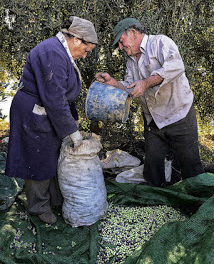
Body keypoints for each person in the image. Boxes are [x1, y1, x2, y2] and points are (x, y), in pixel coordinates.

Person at [6, 16, 98, 224]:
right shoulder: (52, 52)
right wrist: (71, 130)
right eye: (86, 50)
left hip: (43, 109)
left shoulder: (60, 51)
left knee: (52, 153)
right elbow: (54, 98)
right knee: (38, 156)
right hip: (33, 111)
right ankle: (38, 206)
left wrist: (69, 126)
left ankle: (54, 199)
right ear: (76, 39)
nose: (84, 56)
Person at [96, 17, 204, 187]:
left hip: (179, 115)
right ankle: (158, 201)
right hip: (153, 120)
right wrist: (113, 83)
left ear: (132, 33)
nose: (120, 47)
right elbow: (130, 86)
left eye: (121, 41)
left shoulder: (161, 42)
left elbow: (175, 67)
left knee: (190, 166)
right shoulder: (131, 60)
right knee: (153, 168)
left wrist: (145, 83)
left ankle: (199, 204)